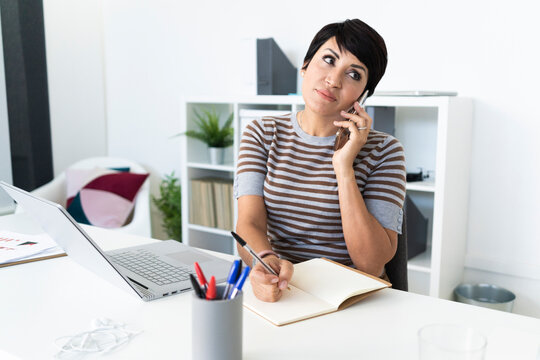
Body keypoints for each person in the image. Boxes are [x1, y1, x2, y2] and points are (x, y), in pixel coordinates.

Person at [234, 19, 406, 302]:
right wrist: (264, 261)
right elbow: (248, 222)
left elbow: (370, 264)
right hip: (284, 289)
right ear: (304, 65)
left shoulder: (385, 151)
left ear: (363, 95)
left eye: (354, 74)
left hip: (351, 297)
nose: (334, 80)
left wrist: (344, 168)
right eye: (328, 60)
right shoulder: (261, 133)